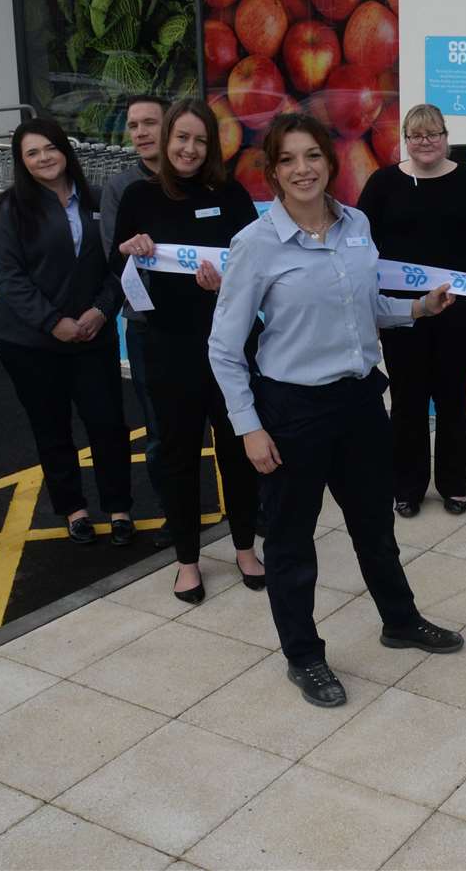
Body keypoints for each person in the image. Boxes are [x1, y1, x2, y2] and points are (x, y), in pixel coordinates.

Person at [208, 113, 465, 709]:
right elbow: (224, 347)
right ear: (272, 171)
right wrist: (248, 428)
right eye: (288, 160)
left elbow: (366, 306)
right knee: (294, 544)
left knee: (375, 528)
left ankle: (399, 621)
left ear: (329, 161)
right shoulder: (255, 245)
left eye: (313, 156)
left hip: (359, 399)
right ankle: (304, 656)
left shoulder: (357, 225)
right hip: (292, 408)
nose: (303, 170)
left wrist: (416, 310)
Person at [112, 98, 263, 603]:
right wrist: (131, 256)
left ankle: (245, 546)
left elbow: (255, 269)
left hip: (230, 344)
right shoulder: (138, 196)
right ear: (167, 137)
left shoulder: (233, 194)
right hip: (168, 347)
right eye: (182, 137)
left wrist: (226, 286)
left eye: (200, 140)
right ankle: (187, 560)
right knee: (177, 456)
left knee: (238, 450)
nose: (190, 149)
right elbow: (118, 272)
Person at [358, 103, 466, 517]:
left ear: (446, 137)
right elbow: (361, 247)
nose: (426, 142)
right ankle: (406, 486)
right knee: (407, 400)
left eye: (434, 134)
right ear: (405, 139)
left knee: (453, 398)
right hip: (400, 313)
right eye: (417, 135)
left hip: (459, 313)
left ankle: (454, 485)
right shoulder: (383, 184)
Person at [0, 118, 132, 544]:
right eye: (32, 152)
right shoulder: (11, 207)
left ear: (65, 150)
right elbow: (9, 276)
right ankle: (74, 509)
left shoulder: (96, 200)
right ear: (21, 161)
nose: (44, 158)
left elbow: (117, 265)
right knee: (52, 429)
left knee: (107, 424)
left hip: (92, 334)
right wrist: (54, 322)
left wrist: (101, 311)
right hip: (30, 342)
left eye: (50, 147)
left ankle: (120, 508)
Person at [101, 95, 169, 545]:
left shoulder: (198, 181)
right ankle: (173, 513)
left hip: (205, 324)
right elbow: (113, 258)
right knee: (161, 430)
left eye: (150, 123)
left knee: (228, 419)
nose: (141, 132)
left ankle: (251, 507)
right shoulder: (119, 188)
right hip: (148, 328)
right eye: (133, 125)